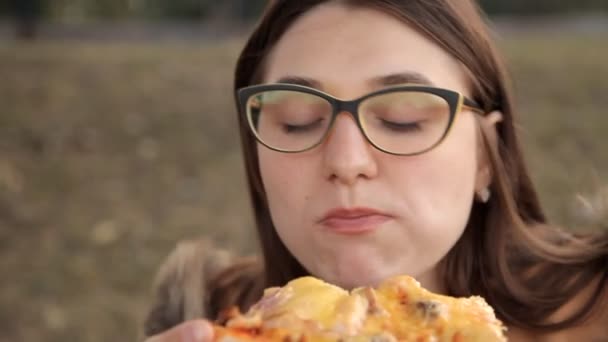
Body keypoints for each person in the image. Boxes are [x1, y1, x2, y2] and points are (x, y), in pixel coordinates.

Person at [142, 1, 608, 341]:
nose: (346, 163)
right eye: (297, 121)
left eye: (403, 118)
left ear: (486, 159)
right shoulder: (209, 321)